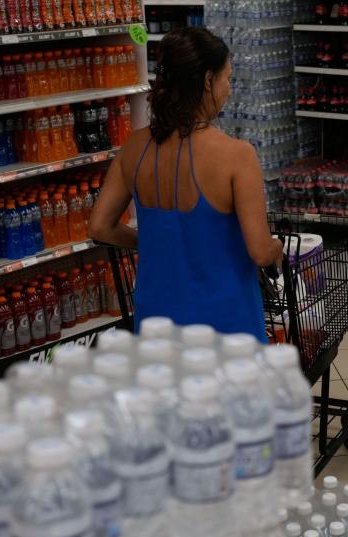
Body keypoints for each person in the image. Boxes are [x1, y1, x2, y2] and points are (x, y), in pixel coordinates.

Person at [89, 28, 282, 341]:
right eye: (227, 78)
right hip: (224, 325)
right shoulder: (237, 156)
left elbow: (99, 227)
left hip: (156, 320)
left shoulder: (134, 148)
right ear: (208, 81)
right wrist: (277, 248)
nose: (229, 90)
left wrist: (152, 242)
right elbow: (260, 251)